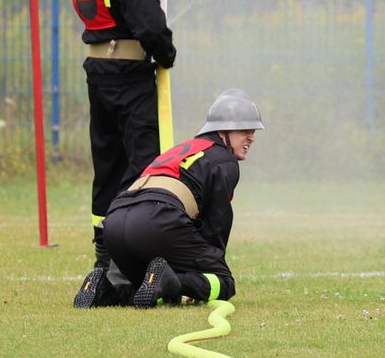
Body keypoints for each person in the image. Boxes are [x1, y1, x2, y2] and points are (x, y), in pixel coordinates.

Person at [69, 0, 176, 306]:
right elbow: (151, 29)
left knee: (107, 165)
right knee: (143, 165)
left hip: (99, 72)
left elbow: (113, 13)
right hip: (131, 78)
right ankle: (132, 265)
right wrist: (166, 54)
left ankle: (102, 263)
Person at [80, 88, 262, 310]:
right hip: (156, 221)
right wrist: (205, 272)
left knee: (146, 282)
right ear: (223, 131)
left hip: (116, 222)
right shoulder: (224, 161)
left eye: (252, 130)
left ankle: (105, 291)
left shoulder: (183, 149)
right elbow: (217, 225)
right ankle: (172, 283)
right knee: (224, 282)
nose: (251, 137)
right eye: (245, 130)